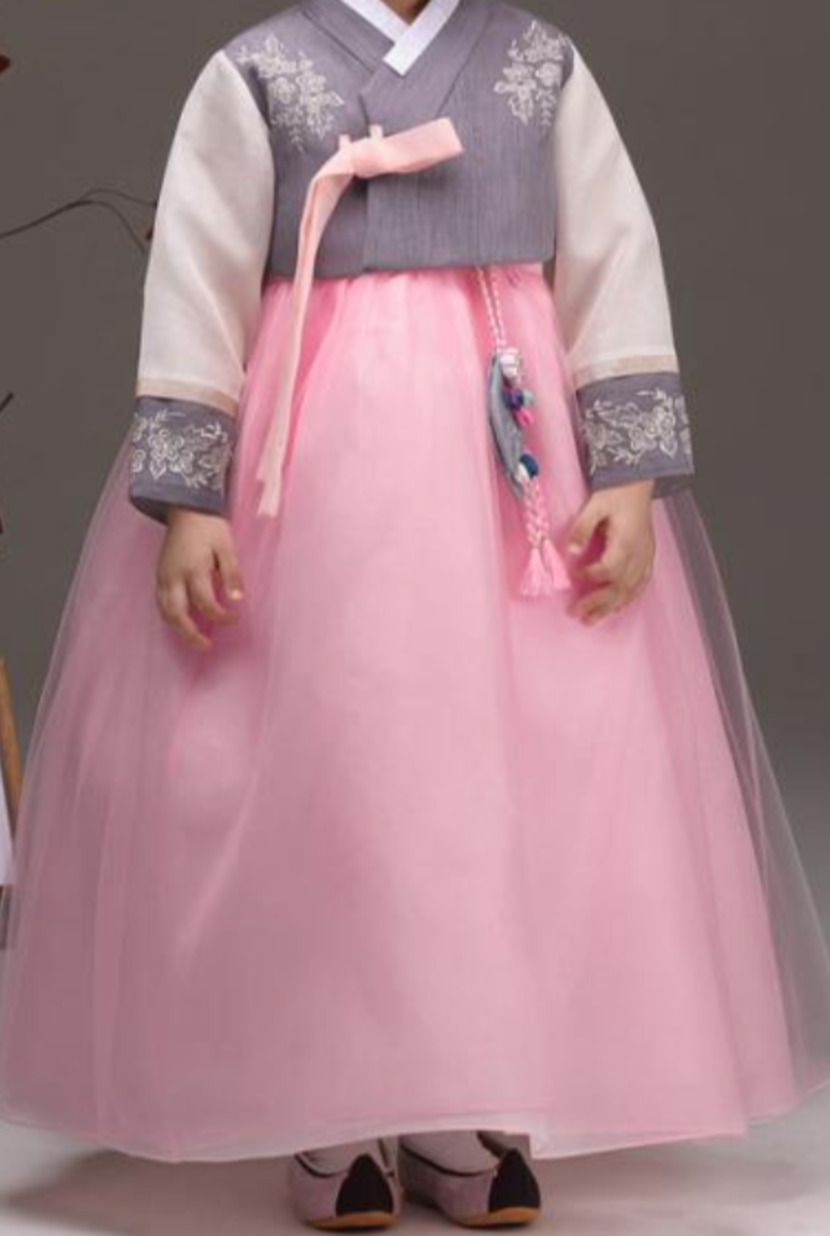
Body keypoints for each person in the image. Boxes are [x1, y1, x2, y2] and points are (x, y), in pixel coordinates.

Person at [2, 0, 830, 1228]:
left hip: (505, 462)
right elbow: (197, 278)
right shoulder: (258, 71)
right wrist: (190, 499)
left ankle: (457, 1097)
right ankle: (325, 1105)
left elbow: (610, 259)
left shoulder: (537, 64)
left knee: (491, 776)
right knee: (333, 771)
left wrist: (626, 471)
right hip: (310, 472)